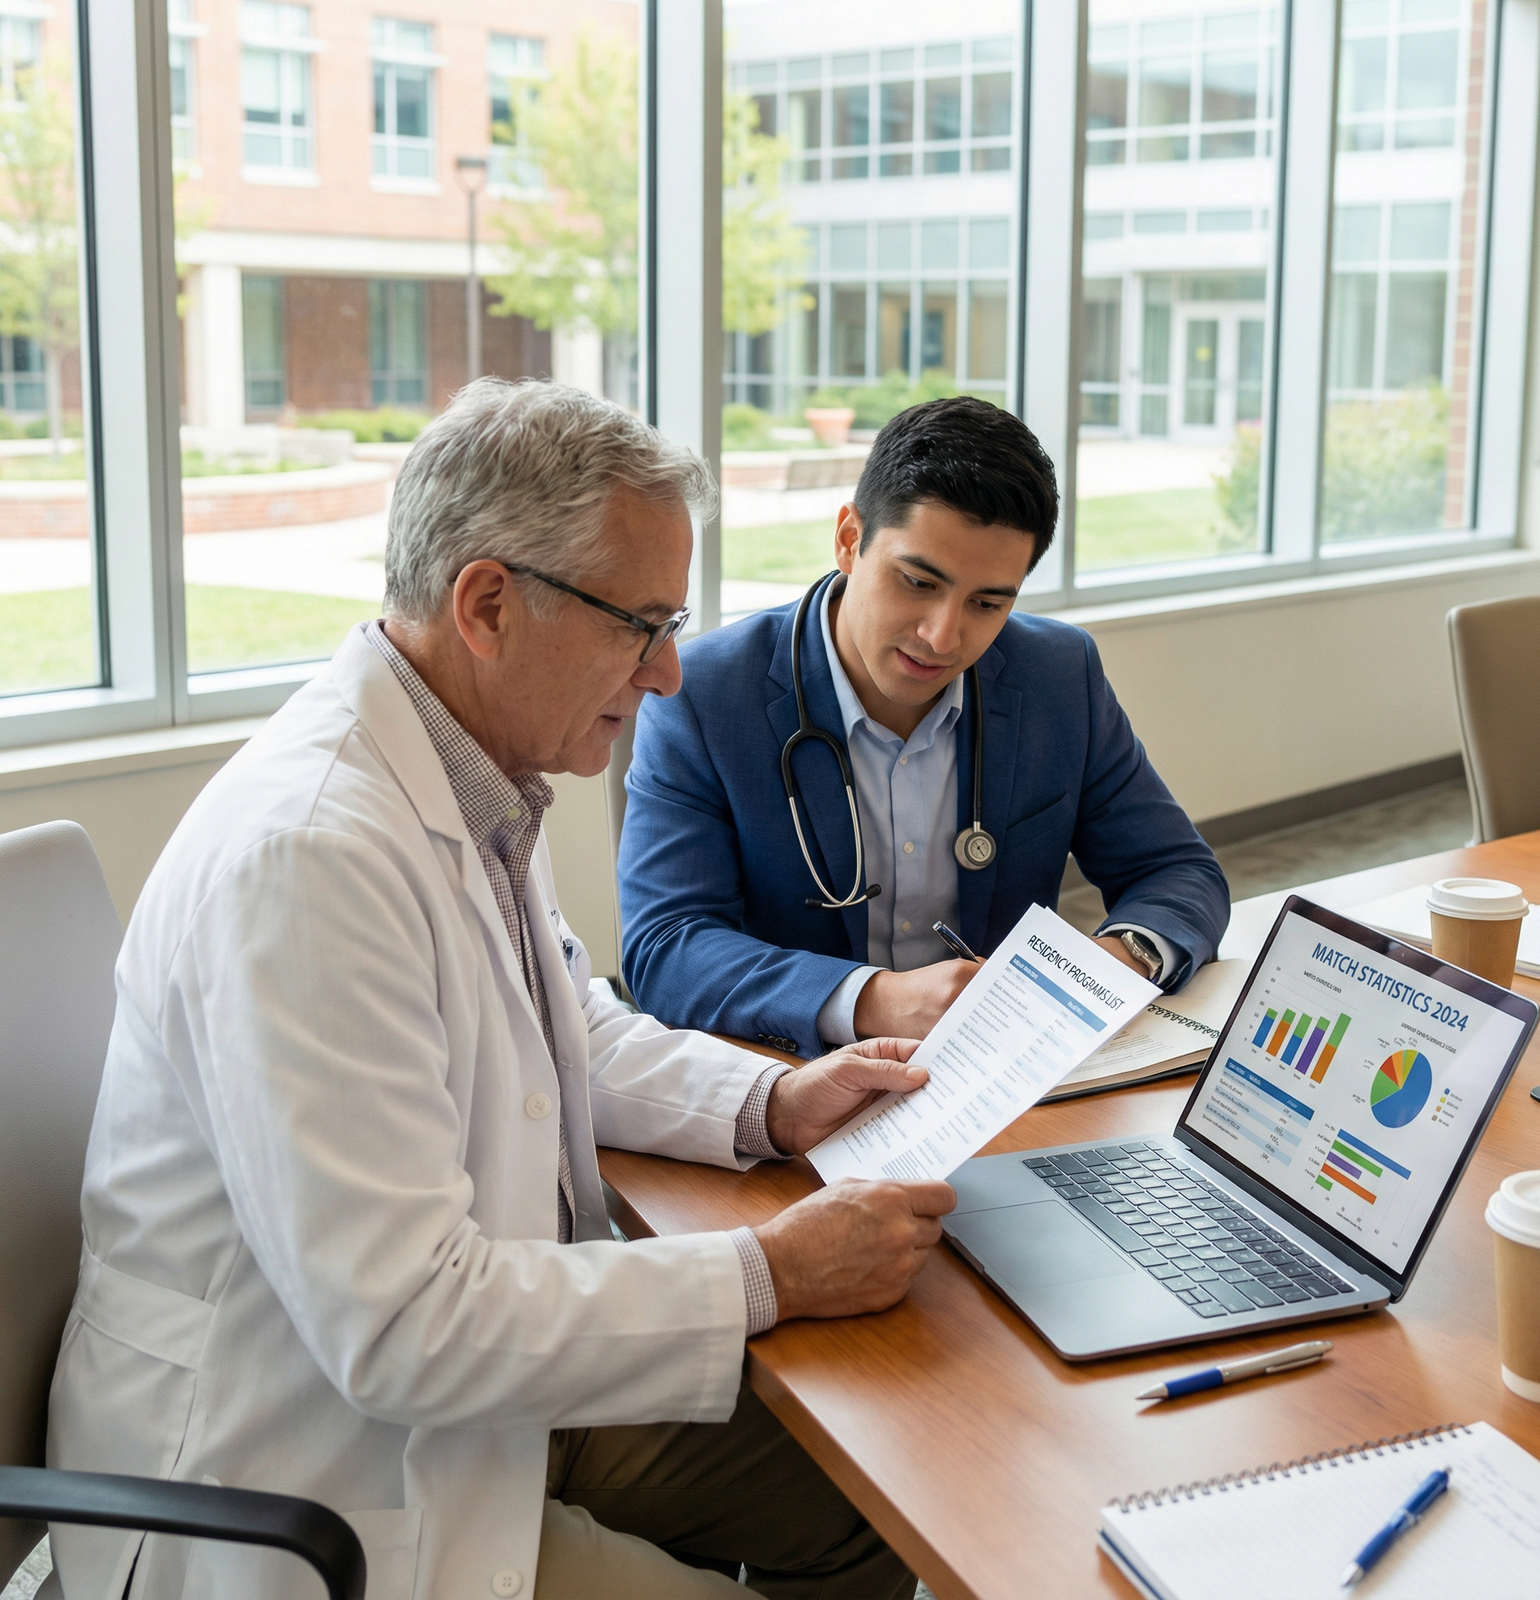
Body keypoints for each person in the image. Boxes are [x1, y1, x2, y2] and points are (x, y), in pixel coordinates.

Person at [47, 380, 954, 1600]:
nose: (670, 674)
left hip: (464, 1398)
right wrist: (770, 1270)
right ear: (486, 603)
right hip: (301, 1474)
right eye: (642, 624)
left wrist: (773, 1102)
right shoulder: (309, 858)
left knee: (867, 1497)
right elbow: (411, 1326)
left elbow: (557, 1021)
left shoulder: (462, 775)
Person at [619, 397, 1230, 1060]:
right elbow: (666, 946)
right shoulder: (705, 694)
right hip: (792, 1083)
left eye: (988, 603)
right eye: (916, 581)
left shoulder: (1057, 676)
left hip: (992, 1083)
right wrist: (870, 999)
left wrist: (1119, 959)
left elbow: (1176, 869)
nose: (943, 635)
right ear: (849, 539)